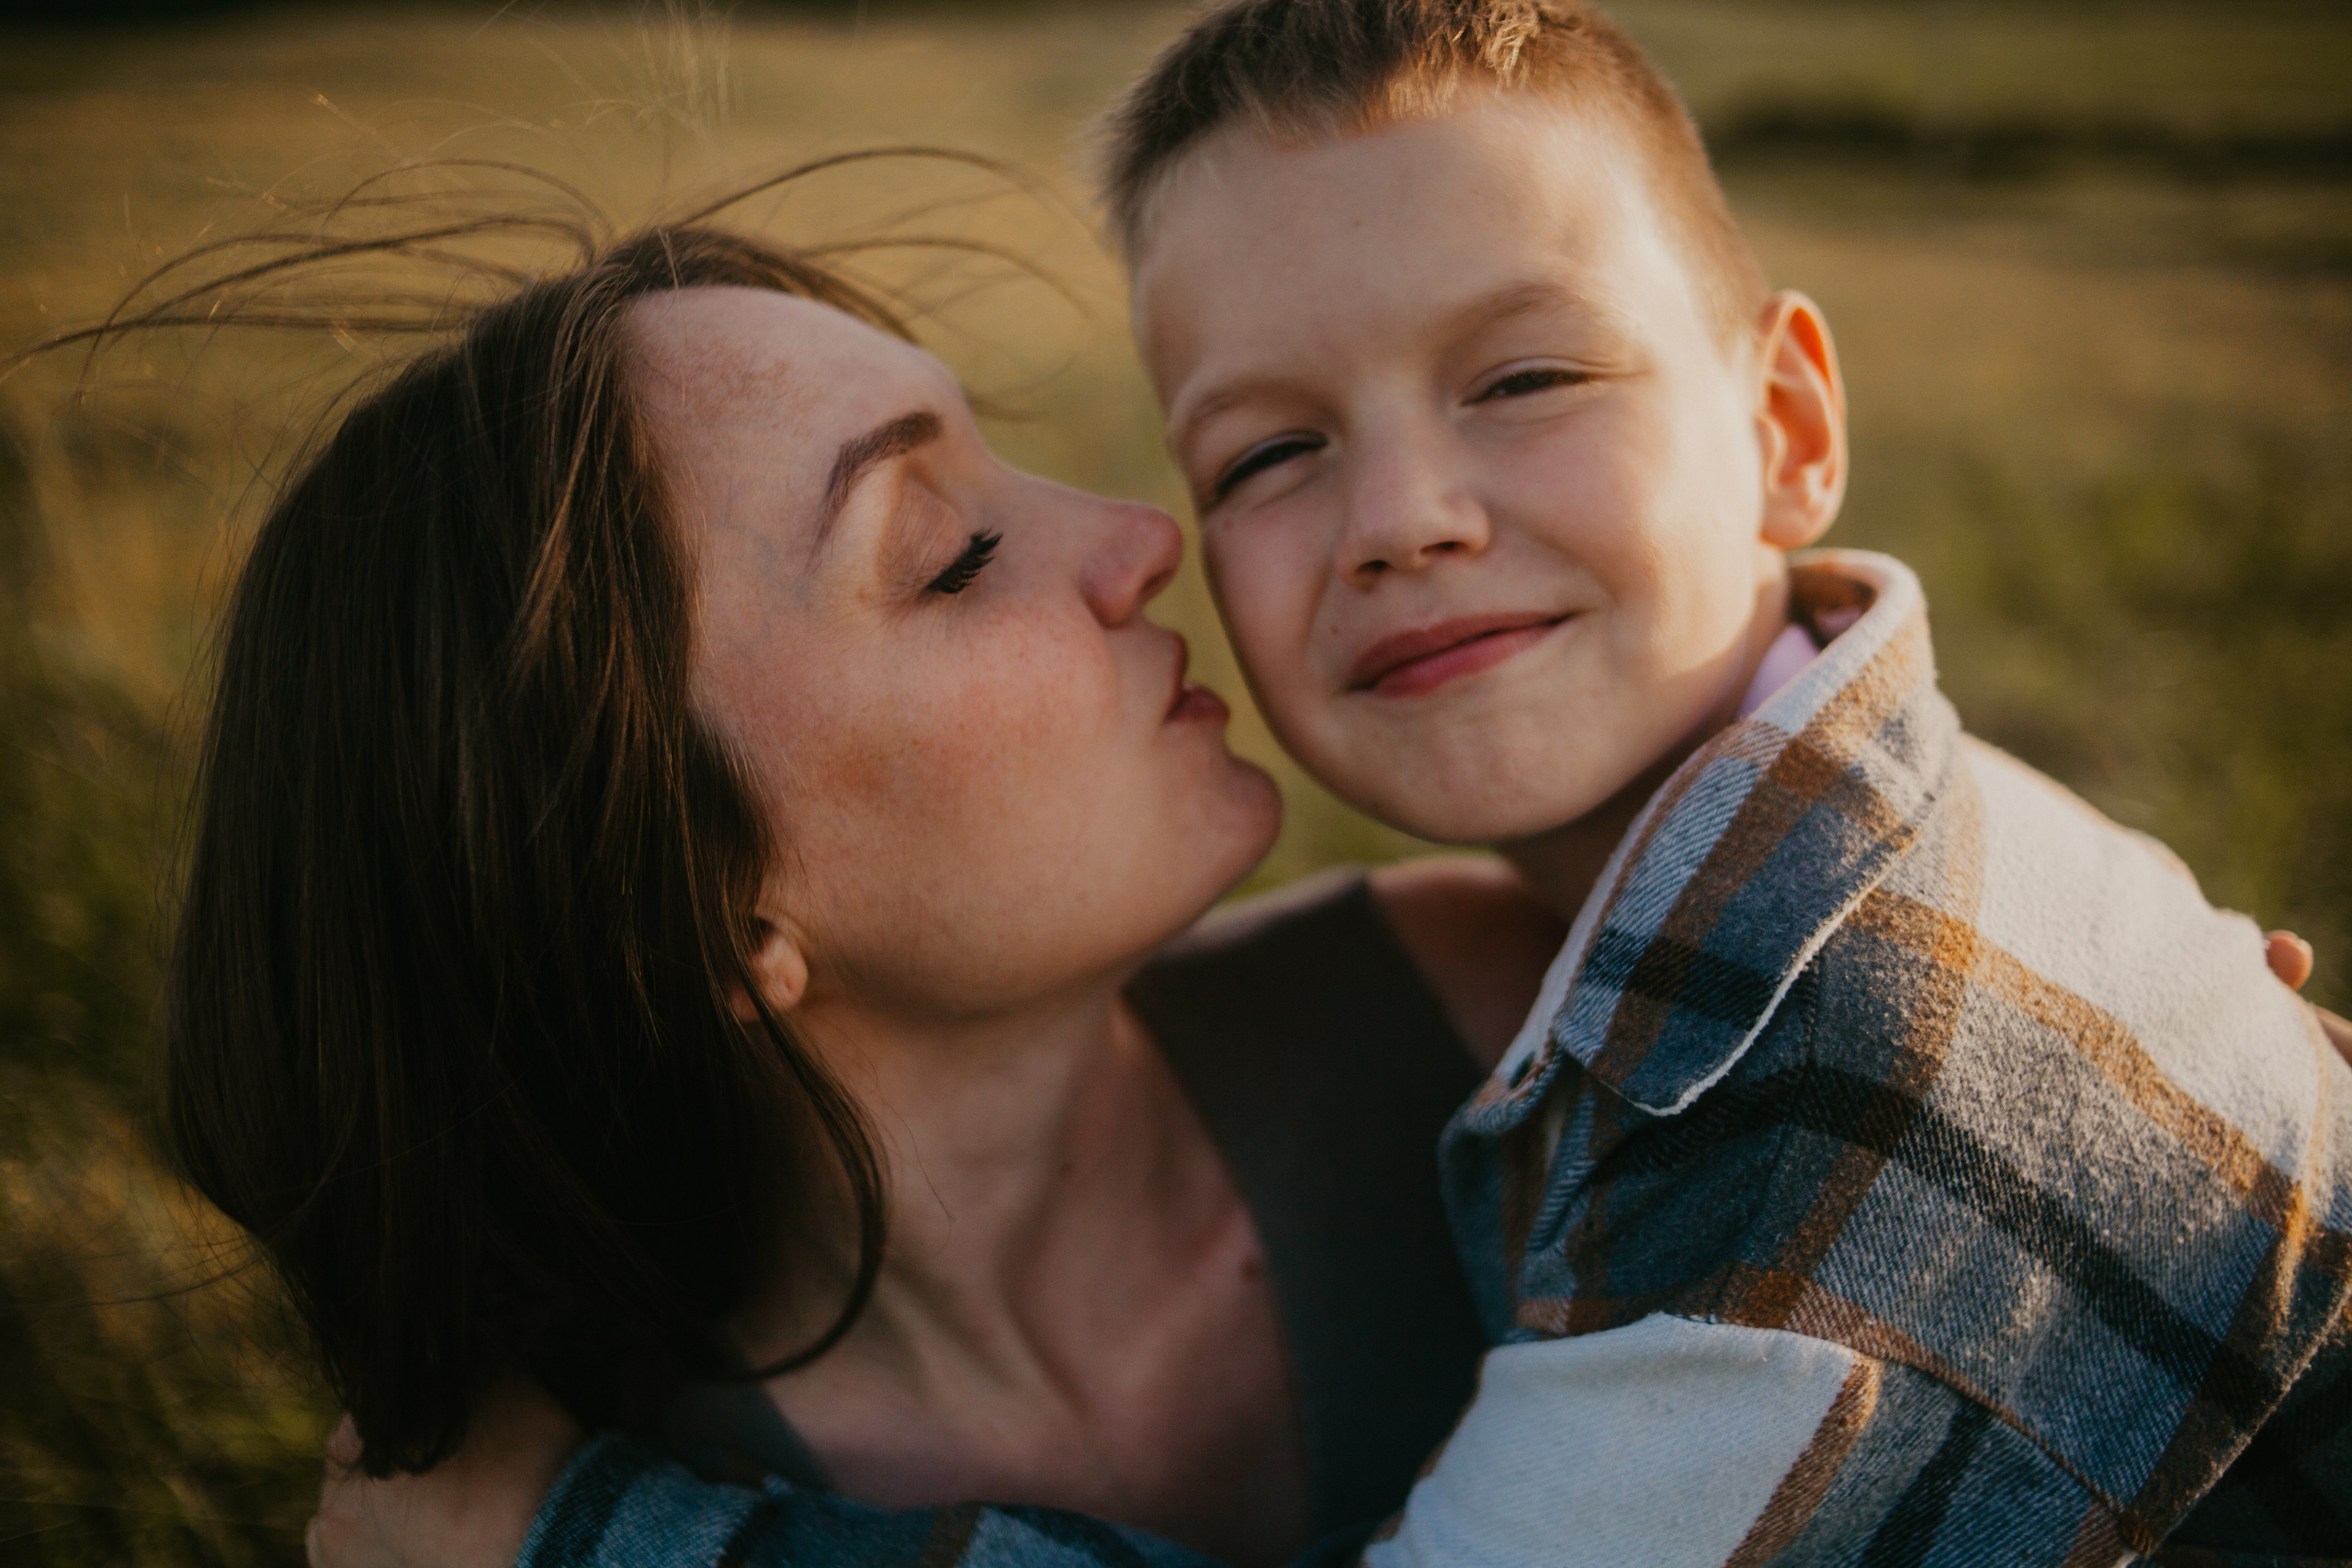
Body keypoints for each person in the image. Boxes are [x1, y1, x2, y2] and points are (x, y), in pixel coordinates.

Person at [1102, 0, 2352, 1561]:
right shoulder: (1847, 847)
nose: (1400, 516)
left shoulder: (1839, 1064)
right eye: (1267, 455)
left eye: (1525, 378)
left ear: (1785, 426)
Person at [132, 220, 1569, 1568]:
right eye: (955, 556)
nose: (1140, 538)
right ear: (706, 922)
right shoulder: (547, 1488)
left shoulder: (1519, 1028)